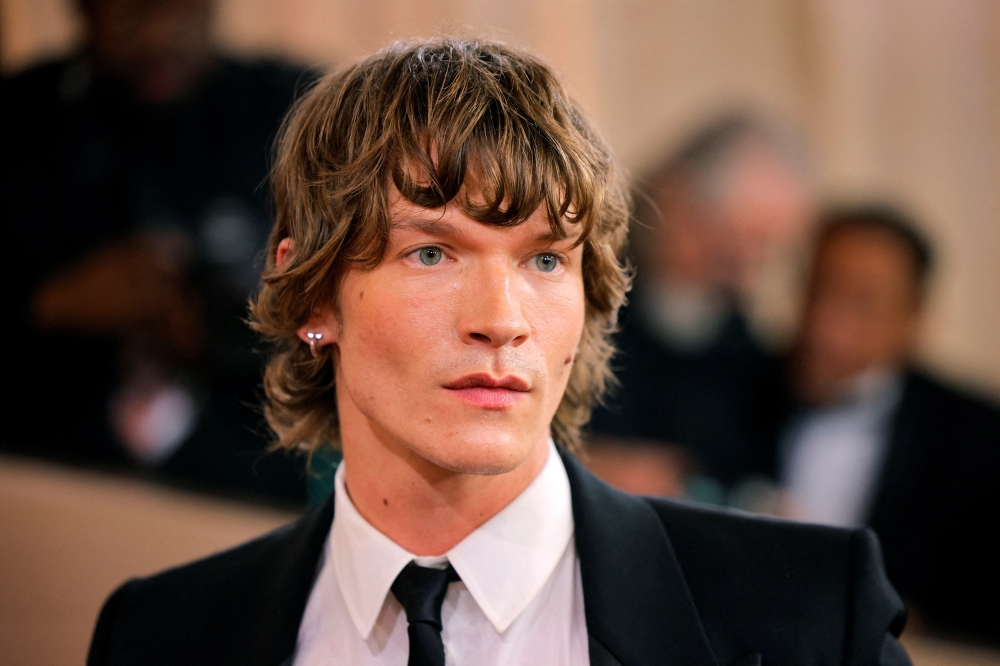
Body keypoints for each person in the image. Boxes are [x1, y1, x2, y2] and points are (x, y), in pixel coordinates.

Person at [87, 38, 910, 666]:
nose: (501, 319)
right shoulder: (160, 636)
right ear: (311, 297)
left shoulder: (808, 614)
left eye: (545, 259)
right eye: (433, 253)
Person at [2, 0, 312, 501]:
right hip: (43, 478)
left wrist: (232, 328)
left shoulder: (292, 112)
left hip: (249, 485)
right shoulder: (22, 122)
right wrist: (52, 304)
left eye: (182, 11)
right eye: (128, 16)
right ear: (83, 14)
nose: (159, 38)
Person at [770, 205, 1000, 644]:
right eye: (817, 289)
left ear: (915, 319)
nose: (825, 324)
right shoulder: (739, 391)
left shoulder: (978, 437)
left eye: (862, 303)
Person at [589, 116, 811, 489]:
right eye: (729, 240)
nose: (744, 272)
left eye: (761, 251)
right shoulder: (584, 291)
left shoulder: (749, 357)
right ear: (676, 200)